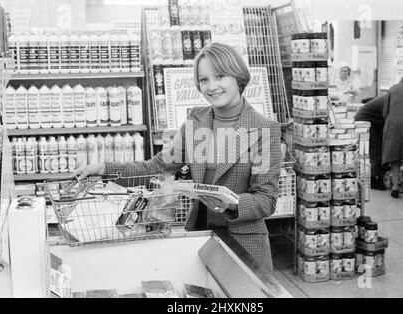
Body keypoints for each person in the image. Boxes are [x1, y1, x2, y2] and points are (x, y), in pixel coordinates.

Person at [73, 43, 282, 272]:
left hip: (244, 244)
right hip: (200, 236)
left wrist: (232, 203)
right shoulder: (196, 121)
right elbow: (158, 166)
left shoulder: (263, 129)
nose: (211, 87)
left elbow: (266, 199)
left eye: (220, 76)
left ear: (238, 77)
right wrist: (105, 168)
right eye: (203, 80)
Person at [354, 95, 388, 190]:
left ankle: (374, 174)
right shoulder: (389, 100)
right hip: (364, 122)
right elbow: (387, 119)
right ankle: (373, 179)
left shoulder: (388, 98)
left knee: (375, 149)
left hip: (367, 122)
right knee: (375, 150)